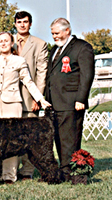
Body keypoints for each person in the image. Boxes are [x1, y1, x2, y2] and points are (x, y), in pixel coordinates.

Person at [0, 32, 51, 184]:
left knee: (12, 142)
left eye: (6, 41)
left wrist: (40, 99)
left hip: (13, 104)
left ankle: (9, 176)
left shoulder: (19, 60)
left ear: (12, 42)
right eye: (1, 41)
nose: (3, 43)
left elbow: (28, 81)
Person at [45, 18, 95, 181]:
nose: (54, 37)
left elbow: (87, 75)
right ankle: (65, 170)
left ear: (67, 31)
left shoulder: (82, 47)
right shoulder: (55, 49)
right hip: (55, 102)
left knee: (70, 138)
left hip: (72, 102)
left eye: (57, 33)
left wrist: (81, 98)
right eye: (52, 34)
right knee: (59, 138)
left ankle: (77, 172)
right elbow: (51, 75)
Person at [13, 11, 48, 180]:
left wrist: (38, 97)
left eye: (25, 22)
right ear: (15, 24)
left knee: (30, 137)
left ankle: (26, 171)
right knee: (10, 137)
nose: (22, 24)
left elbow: (41, 73)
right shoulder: (6, 41)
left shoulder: (40, 44)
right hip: (8, 99)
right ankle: (10, 172)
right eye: (19, 22)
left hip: (29, 97)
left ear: (30, 24)